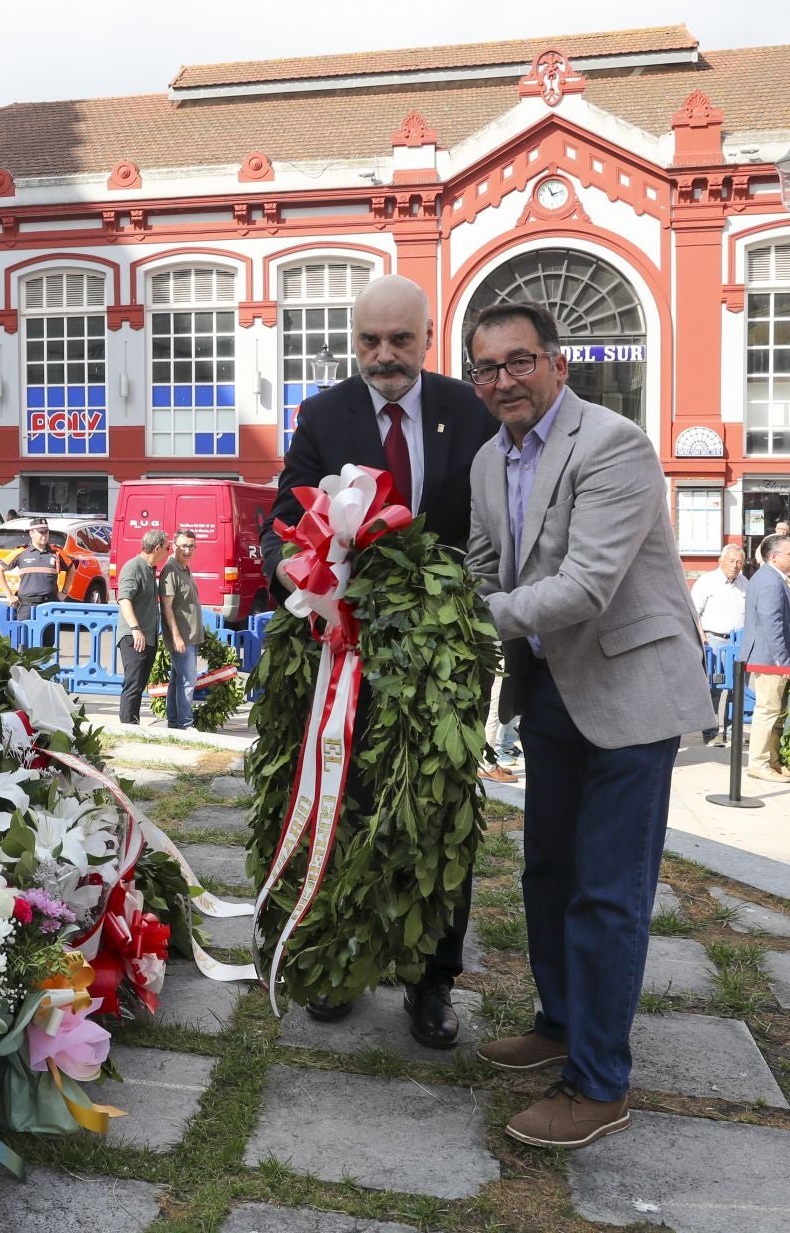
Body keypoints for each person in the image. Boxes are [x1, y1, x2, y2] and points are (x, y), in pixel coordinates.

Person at [463, 300, 714, 1149]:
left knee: (609, 894)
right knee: (547, 874)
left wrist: (464, 622)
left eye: (519, 361)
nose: (504, 380)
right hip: (551, 692)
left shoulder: (613, 443)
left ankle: (600, 1083)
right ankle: (560, 1021)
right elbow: (480, 568)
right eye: (487, 368)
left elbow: (585, 585)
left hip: (631, 692)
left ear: (557, 364)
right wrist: (426, 599)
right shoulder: (485, 463)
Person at [257, 273, 500, 1048]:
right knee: (343, 799)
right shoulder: (324, 413)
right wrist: (285, 566)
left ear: (429, 339)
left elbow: (493, 522)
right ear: (353, 342)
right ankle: (338, 961)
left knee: (436, 815)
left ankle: (432, 983)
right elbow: (285, 512)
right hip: (342, 649)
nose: (384, 356)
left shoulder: (469, 410)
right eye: (369, 340)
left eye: (400, 339)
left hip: (442, 656)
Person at [741, 533, 790, 784]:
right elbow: (772, 624)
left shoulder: (773, 578)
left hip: (772, 658)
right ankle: (758, 763)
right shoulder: (770, 581)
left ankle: (771, 761)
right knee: (767, 711)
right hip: (771, 659)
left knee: (774, 712)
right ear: (773, 556)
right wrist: (784, 661)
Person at [691, 544, 749, 745]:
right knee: (714, 688)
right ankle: (711, 732)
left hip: (739, 642)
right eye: (731, 561)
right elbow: (693, 613)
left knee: (738, 688)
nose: (735, 565)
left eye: (739, 562)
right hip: (715, 640)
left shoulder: (745, 583)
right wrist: (702, 638)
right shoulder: (707, 582)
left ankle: (732, 731)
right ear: (721, 561)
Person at [117, 530, 169, 725]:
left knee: (139, 684)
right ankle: (127, 727)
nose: (168, 552)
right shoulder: (133, 567)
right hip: (134, 637)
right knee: (133, 683)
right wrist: (135, 629)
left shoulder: (149, 568)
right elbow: (124, 599)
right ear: (157, 548)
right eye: (167, 547)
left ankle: (133, 723)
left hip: (147, 636)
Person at [158, 530, 203, 730]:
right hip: (181, 637)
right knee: (188, 681)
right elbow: (166, 606)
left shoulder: (184, 568)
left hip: (189, 636)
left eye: (191, 546)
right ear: (174, 546)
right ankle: (185, 724)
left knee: (177, 680)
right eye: (183, 546)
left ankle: (175, 723)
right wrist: (176, 636)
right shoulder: (171, 570)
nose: (188, 550)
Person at [0, 517, 66, 620]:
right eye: (41, 532)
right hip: (27, 606)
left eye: (46, 532)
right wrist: (9, 595)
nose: (44, 535)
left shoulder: (56, 552)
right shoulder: (21, 552)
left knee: (49, 636)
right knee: (24, 635)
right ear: (31, 533)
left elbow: (72, 569)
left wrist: (64, 592)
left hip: (49, 605)